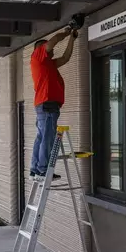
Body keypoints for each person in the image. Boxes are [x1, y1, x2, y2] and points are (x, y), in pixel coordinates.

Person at [30, 28, 77, 181]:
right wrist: (67, 30)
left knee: (41, 137)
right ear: (40, 49)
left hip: (45, 104)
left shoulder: (48, 64)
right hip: (48, 103)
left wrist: (72, 38)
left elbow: (66, 58)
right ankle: (43, 170)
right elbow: (55, 39)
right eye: (48, 48)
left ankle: (35, 168)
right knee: (47, 137)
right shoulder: (38, 56)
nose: (52, 50)